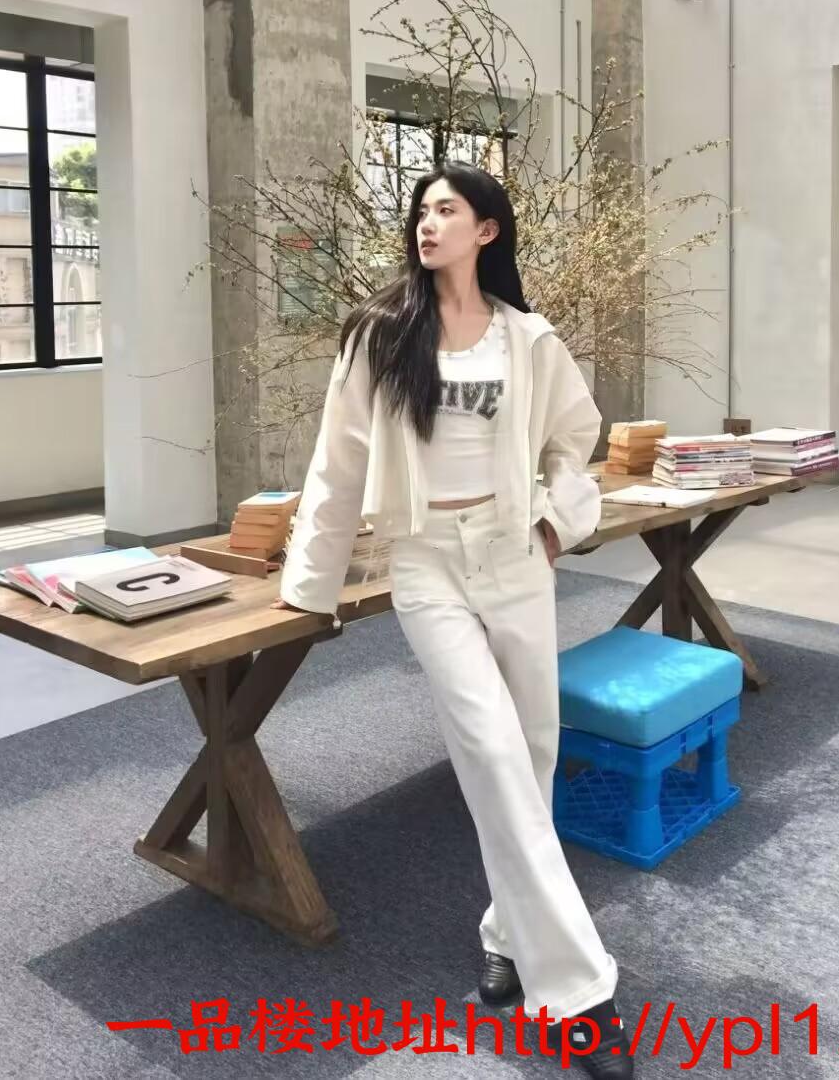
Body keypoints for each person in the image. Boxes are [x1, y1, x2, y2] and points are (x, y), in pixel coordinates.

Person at [279, 161, 635, 1079]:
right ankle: (579, 996)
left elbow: (575, 436)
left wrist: (556, 522)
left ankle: (506, 935)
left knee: (536, 753)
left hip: (513, 555)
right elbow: (337, 461)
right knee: (491, 747)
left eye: (447, 209)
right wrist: (309, 586)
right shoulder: (381, 333)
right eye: (422, 211)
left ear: (487, 230)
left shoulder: (528, 338)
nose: (427, 223)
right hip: (426, 562)